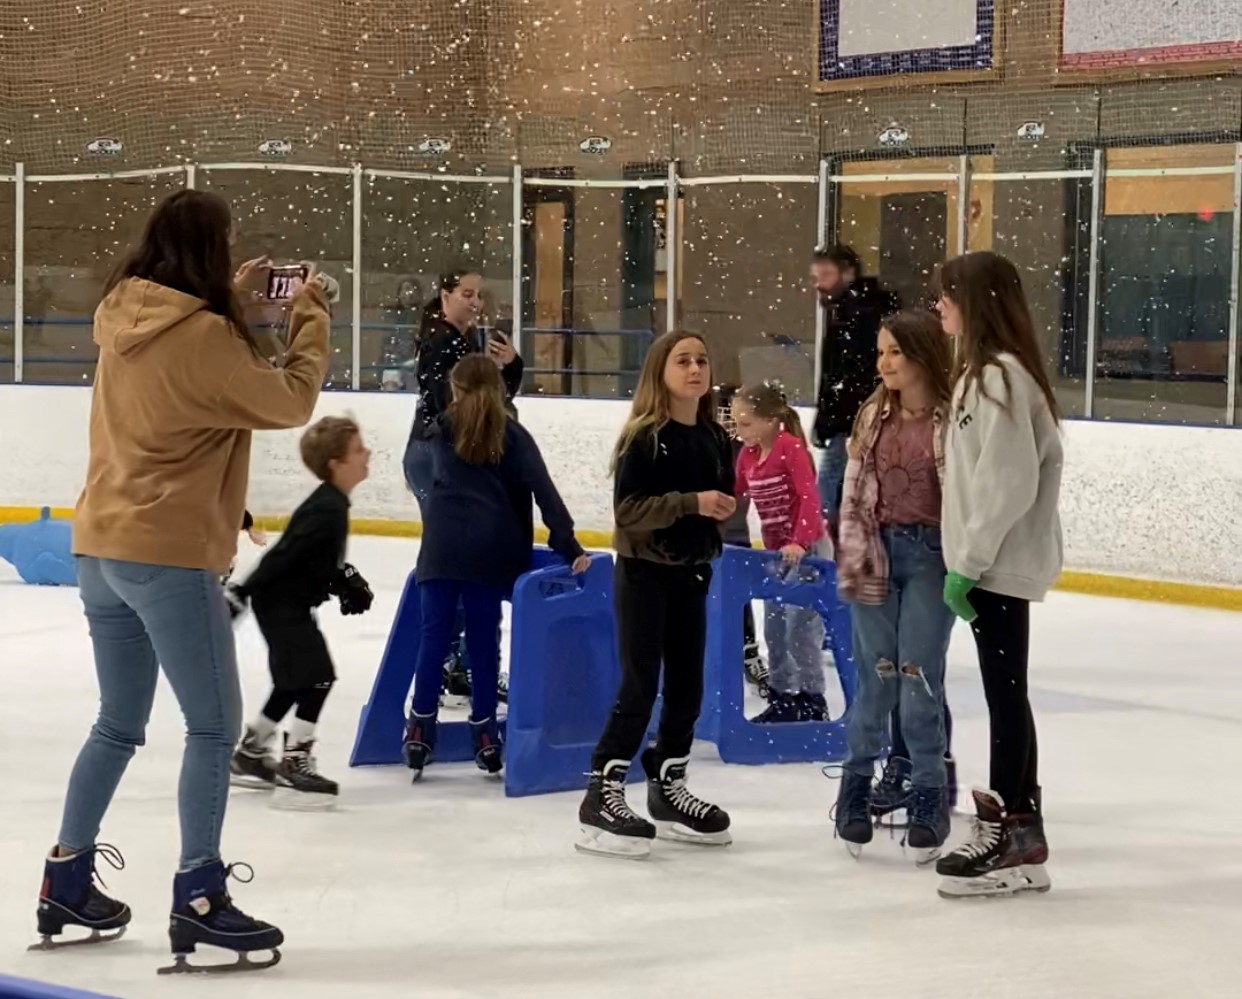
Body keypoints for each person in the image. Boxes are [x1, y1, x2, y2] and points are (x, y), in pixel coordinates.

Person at [38, 189, 330, 971]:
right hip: (166, 553)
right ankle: (200, 894)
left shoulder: (122, 318)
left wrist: (233, 303)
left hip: (100, 546)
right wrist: (309, 318)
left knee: (116, 722)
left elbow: (184, 377)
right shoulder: (203, 338)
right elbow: (288, 398)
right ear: (211, 250)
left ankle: (65, 874)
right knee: (211, 725)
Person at [932, 251, 1063, 899]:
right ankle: (1023, 824)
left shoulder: (999, 379)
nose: (939, 306)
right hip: (990, 564)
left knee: (1006, 694)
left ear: (976, 302)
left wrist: (970, 563)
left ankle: (1012, 828)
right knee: (1007, 692)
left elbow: (1005, 482)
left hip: (998, 565)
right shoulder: (984, 377)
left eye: (948, 295)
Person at [577, 331, 736, 860]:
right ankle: (602, 792)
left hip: (692, 574)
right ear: (659, 372)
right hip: (644, 574)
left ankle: (668, 785)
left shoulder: (715, 437)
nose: (695, 368)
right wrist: (691, 502)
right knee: (640, 685)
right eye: (683, 360)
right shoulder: (645, 437)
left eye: (702, 359)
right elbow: (628, 510)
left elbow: (719, 500)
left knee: (689, 687)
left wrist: (711, 513)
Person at [402, 355, 588, 779]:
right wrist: (566, 543)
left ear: (458, 390)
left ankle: (420, 725)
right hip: (492, 549)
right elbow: (545, 492)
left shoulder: (441, 431)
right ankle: (484, 731)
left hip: (443, 547)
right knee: (484, 640)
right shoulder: (514, 436)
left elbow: (423, 479)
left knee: (434, 635)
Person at [831, 309, 956, 863]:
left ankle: (930, 794)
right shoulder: (871, 415)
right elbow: (853, 490)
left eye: (894, 353)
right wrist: (852, 555)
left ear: (923, 355)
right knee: (876, 677)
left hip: (932, 556)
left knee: (918, 678)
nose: (882, 362)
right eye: (880, 352)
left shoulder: (953, 420)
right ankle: (854, 788)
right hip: (874, 551)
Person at [227, 417, 375, 806]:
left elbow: (313, 560)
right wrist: (242, 590)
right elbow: (284, 554)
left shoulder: (332, 504)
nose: (367, 455)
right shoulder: (326, 508)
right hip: (279, 603)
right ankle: (295, 761)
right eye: (359, 450)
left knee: (294, 680)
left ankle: (250, 753)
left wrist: (344, 581)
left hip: (284, 602)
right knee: (319, 678)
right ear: (336, 463)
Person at [402, 269, 523, 706]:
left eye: (478, 295)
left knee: (458, 560)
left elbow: (490, 400)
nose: (475, 302)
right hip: (435, 459)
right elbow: (453, 410)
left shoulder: (458, 340)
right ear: (445, 296)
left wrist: (510, 366)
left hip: (439, 458)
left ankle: (459, 661)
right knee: (461, 561)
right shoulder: (444, 342)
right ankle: (460, 662)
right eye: (466, 294)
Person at [731, 382, 828, 722]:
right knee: (774, 628)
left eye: (745, 424)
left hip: (808, 549)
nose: (739, 432)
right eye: (736, 423)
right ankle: (784, 697)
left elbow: (810, 500)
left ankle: (813, 699)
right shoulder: (748, 456)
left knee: (800, 628)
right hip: (776, 555)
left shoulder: (790, 448)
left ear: (771, 420)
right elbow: (734, 496)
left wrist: (800, 543)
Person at [810, 245, 899, 541]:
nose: (819, 284)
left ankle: (827, 550)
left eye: (825, 275)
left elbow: (847, 374)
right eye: (816, 277)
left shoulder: (861, 314)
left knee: (832, 495)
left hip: (854, 422)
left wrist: (833, 419)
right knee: (839, 493)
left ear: (847, 273)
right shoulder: (851, 311)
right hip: (851, 421)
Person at [715, 383, 769, 697]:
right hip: (704, 542)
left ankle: (748, 653)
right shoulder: (704, 442)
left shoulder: (748, 448)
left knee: (740, 601)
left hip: (735, 539)